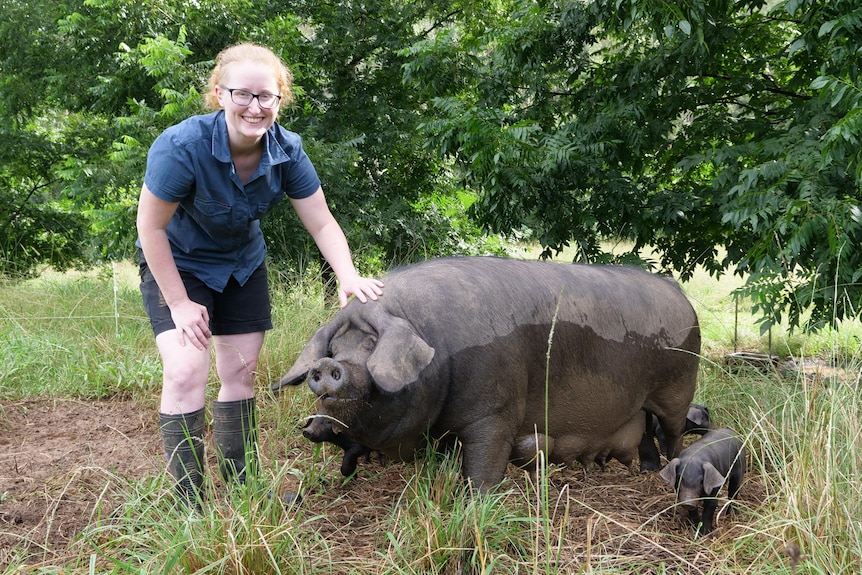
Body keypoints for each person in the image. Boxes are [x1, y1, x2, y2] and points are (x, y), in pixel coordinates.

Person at [136, 42, 384, 509]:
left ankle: (245, 488)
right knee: (187, 371)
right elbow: (150, 227)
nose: (255, 106)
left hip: (242, 266)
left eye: (266, 96)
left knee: (240, 373)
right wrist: (180, 304)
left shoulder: (287, 150)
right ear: (219, 94)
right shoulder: (181, 146)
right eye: (242, 94)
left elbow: (321, 221)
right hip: (179, 264)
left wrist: (347, 274)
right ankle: (189, 504)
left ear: (279, 99)